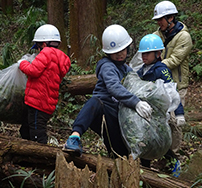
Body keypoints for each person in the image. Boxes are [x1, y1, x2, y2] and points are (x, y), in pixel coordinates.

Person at [63, 24, 153, 160]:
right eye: (115, 52)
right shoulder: (107, 66)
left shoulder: (126, 69)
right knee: (94, 102)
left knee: (119, 153)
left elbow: (137, 83)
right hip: (103, 109)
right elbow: (114, 87)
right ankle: (74, 137)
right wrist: (136, 103)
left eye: (122, 50)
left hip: (117, 115)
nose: (120, 55)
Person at [137, 34, 184, 176]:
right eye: (142, 53)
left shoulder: (161, 70)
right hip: (145, 113)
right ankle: (145, 170)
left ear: (158, 53)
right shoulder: (141, 71)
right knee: (145, 141)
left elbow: (172, 92)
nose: (144, 56)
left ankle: (173, 162)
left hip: (160, 114)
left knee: (160, 141)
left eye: (147, 53)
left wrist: (179, 113)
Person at [152, 0, 192, 161]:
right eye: (157, 20)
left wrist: (155, 66)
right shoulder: (156, 36)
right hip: (159, 84)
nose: (158, 23)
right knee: (162, 119)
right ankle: (163, 155)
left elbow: (175, 60)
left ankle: (174, 157)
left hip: (177, 84)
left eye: (161, 19)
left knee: (175, 121)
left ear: (171, 18)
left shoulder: (184, 37)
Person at [18, 24, 71, 144]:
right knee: (26, 129)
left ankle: (41, 158)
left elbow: (33, 71)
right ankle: (26, 154)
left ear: (43, 44)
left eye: (37, 46)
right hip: (46, 104)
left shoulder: (46, 53)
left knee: (37, 135)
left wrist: (22, 63)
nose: (37, 50)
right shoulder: (60, 58)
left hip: (38, 103)